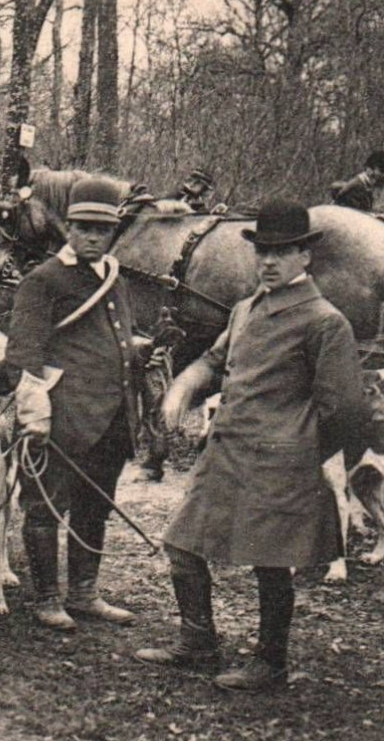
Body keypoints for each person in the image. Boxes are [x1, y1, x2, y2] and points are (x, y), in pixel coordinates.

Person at [138, 200, 366, 691]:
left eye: (282, 252)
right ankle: (198, 643)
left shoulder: (325, 322)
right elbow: (213, 363)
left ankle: (270, 662)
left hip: (283, 462)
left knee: (270, 563)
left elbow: (346, 411)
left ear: (306, 257)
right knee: (182, 544)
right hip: (225, 452)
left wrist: (301, 452)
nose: (268, 261)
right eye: (263, 251)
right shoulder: (245, 309)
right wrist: (181, 388)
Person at [7, 176, 144, 631]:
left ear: (112, 233)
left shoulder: (115, 278)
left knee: (95, 505)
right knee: (46, 507)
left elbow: (117, 337)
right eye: (82, 227)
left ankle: (84, 592)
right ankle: (47, 598)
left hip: (111, 418)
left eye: (101, 230)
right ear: (67, 227)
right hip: (61, 418)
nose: (91, 236)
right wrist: (35, 415)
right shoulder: (43, 281)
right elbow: (24, 353)